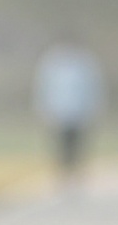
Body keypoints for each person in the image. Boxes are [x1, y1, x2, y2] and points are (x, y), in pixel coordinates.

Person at [32, 35, 104, 181]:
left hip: (79, 113)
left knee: (77, 146)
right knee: (61, 147)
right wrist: (44, 110)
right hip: (59, 112)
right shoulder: (52, 63)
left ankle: (76, 174)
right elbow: (44, 89)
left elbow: (93, 88)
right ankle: (64, 175)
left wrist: (94, 109)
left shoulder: (84, 62)